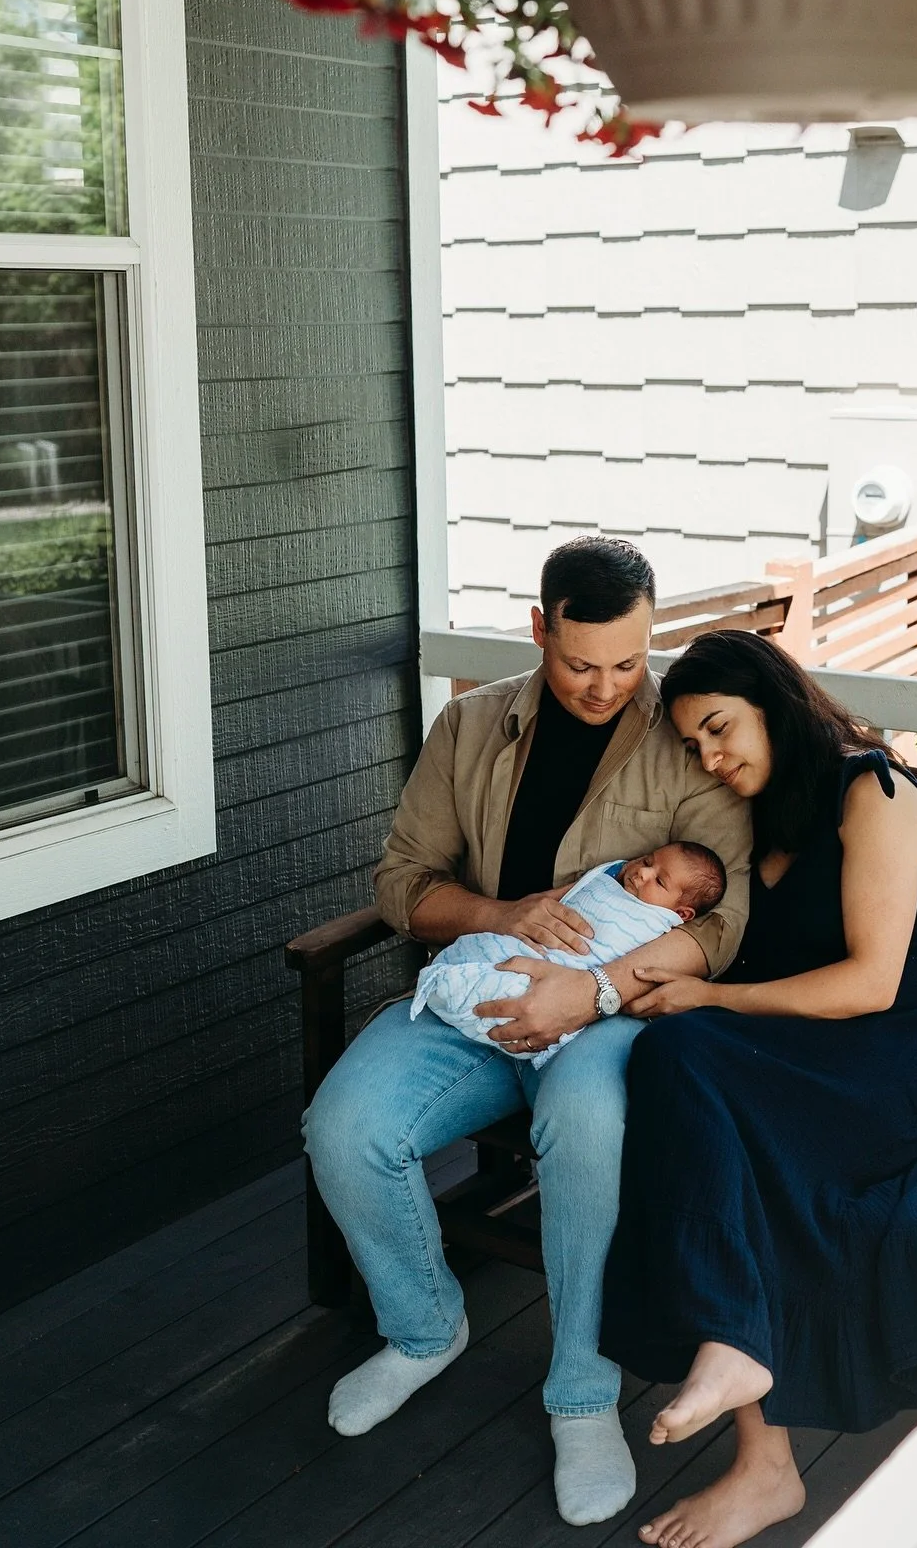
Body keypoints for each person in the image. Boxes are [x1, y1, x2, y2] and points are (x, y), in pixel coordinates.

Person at [302, 538, 751, 1528]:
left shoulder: (682, 745)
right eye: (581, 662)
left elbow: (727, 921)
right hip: (476, 995)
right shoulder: (470, 726)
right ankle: (423, 1330)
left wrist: (589, 996)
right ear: (541, 628)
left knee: (587, 1130)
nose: (604, 687)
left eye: (628, 663)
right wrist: (502, 918)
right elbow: (401, 883)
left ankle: (584, 1397)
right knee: (344, 1129)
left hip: (605, 1015)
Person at [600, 631, 917, 1548]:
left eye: (720, 730)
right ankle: (754, 1418)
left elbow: (872, 983)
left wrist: (709, 995)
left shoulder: (871, 794)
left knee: (686, 1056)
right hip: (801, 1054)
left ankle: (746, 1387)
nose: (712, 759)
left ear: (774, 704)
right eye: (694, 746)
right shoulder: (765, 815)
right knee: (680, 1065)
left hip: (882, 1068)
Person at [411, 842, 728, 1064]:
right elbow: (571, 899)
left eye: (659, 881)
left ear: (682, 913)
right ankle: (456, 979)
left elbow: (714, 935)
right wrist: (498, 914)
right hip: (524, 944)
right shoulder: (609, 879)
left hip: (580, 998)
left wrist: (592, 990)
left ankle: (459, 989)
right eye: (647, 861)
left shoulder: (658, 924)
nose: (642, 873)